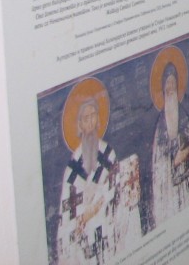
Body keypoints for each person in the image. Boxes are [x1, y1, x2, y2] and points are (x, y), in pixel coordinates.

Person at [57, 82, 141, 264]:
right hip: (84, 247)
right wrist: (86, 215)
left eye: (93, 115)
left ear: (98, 119)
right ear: (80, 124)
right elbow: (66, 222)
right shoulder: (73, 168)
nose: (90, 122)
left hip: (109, 238)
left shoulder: (108, 154)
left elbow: (119, 193)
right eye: (85, 118)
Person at [150, 53, 189, 224]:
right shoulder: (160, 124)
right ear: (163, 88)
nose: (171, 87)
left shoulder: (182, 115)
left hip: (186, 186)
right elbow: (159, 164)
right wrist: (174, 161)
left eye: (173, 83)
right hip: (169, 192)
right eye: (167, 83)